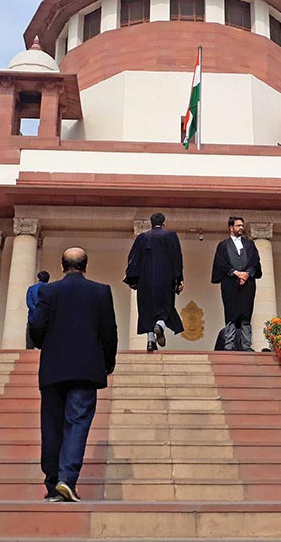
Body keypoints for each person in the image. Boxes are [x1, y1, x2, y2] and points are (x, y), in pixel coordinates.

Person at [28, 247, 118, 502]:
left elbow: (36, 325)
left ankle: (52, 483)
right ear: (86, 266)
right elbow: (109, 331)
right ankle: (67, 479)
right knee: (77, 424)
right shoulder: (101, 291)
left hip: (54, 368)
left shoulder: (49, 290)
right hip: (86, 368)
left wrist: (44, 342)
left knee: (52, 426)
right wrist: (108, 363)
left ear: (62, 266)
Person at [124, 212, 184, 352]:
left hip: (145, 280)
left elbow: (133, 259)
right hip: (165, 279)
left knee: (147, 310)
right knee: (164, 307)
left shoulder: (142, 238)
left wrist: (132, 278)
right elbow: (177, 259)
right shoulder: (170, 236)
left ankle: (150, 341)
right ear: (164, 223)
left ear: (151, 223)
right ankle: (160, 325)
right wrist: (179, 279)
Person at [210, 216, 263, 351]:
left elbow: (255, 261)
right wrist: (236, 273)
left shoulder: (250, 244)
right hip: (230, 284)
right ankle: (229, 345)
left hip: (248, 284)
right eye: (238, 225)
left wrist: (246, 274)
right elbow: (221, 263)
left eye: (242, 225)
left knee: (246, 315)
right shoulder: (223, 245)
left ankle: (246, 345)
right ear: (231, 228)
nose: (241, 228)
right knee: (231, 314)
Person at [25, 271, 51, 350]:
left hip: (33, 317)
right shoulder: (51, 289)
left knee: (30, 342)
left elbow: (29, 303)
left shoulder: (31, 288)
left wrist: (37, 311)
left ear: (38, 278)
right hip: (47, 318)